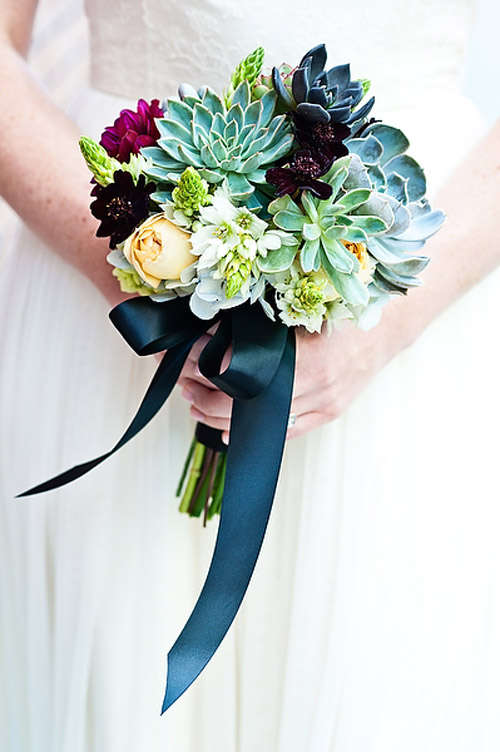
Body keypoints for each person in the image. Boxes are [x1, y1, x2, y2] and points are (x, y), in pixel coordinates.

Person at [1, 0, 500, 749]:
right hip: (114, 249)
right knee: (118, 666)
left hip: (417, 274)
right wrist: (141, 261)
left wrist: (384, 324)